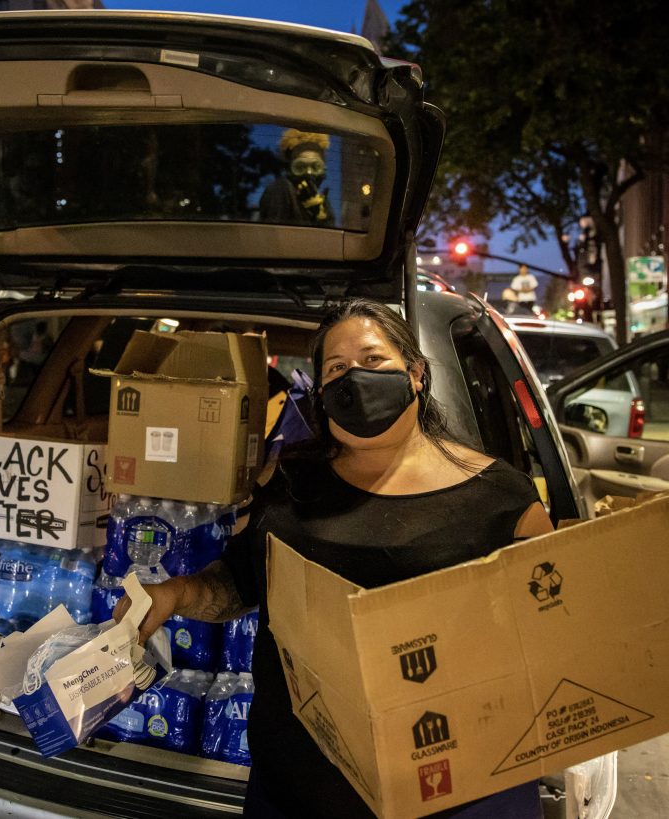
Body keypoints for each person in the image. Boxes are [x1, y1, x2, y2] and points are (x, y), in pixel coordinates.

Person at [116, 298, 553, 818]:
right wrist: (175, 595)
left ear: (415, 373)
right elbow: (242, 582)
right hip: (298, 786)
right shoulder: (291, 480)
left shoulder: (499, 495)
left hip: (452, 791)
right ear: (322, 392)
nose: (356, 379)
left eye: (373, 361)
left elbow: (545, 631)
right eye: (337, 369)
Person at [259, 129, 336, 226]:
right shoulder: (280, 189)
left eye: (316, 167)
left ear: (323, 169)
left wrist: (320, 216)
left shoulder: (322, 201)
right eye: (300, 167)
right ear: (290, 168)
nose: (309, 173)